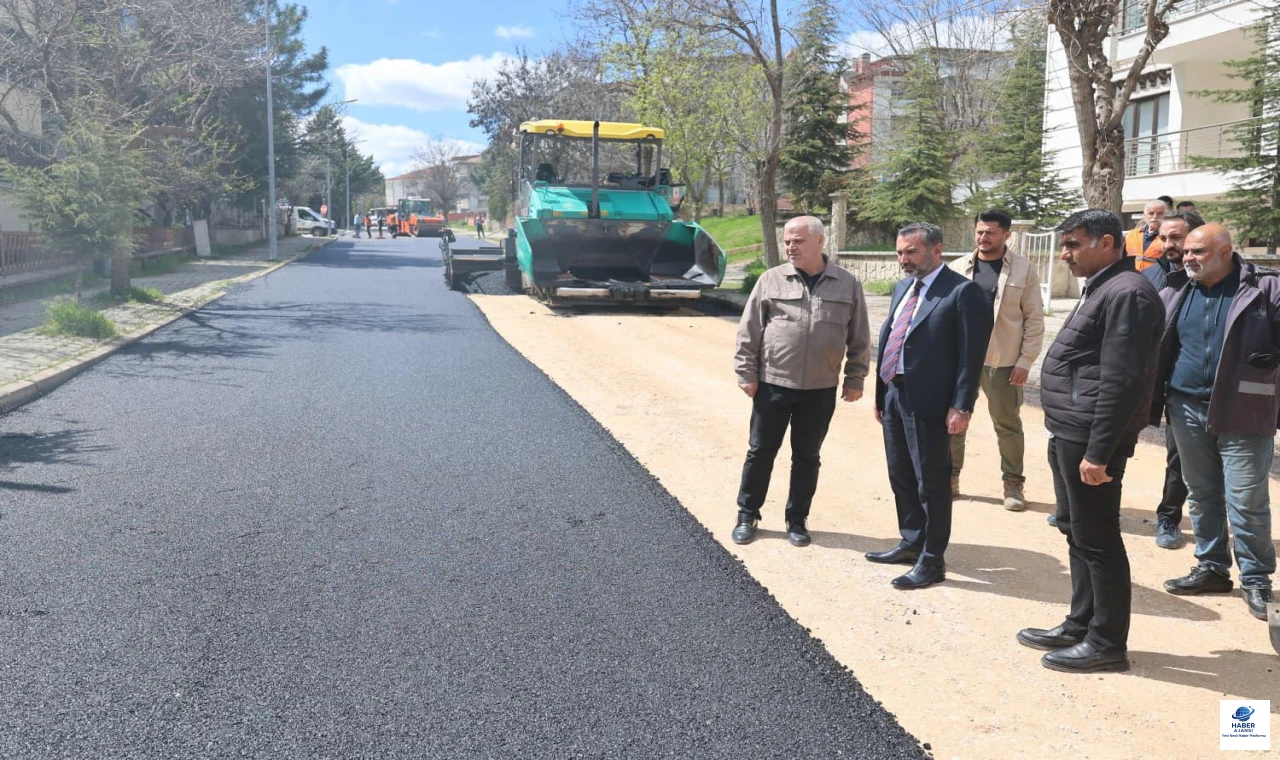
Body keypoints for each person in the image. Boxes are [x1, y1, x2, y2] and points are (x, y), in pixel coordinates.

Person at [1019, 209, 1163, 674]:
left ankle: (1106, 642)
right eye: (1064, 244)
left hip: (1090, 440)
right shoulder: (1103, 286)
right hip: (1070, 430)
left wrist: (1099, 451)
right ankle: (1080, 622)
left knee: (1099, 540)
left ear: (1106, 243)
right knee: (1077, 533)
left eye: (1073, 244)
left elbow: (1123, 381)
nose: (1065, 255)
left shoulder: (1128, 293)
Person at [1152, 224, 1278, 621]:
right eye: (1186, 251)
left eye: (1198, 252)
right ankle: (1211, 568)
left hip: (1245, 410)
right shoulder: (1175, 290)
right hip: (1186, 408)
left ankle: (1256, 579)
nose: (1187, 257)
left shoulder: (1265, 289)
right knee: (1202, 492)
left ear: (1225, 251)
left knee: (1245, 499)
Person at [732, 216, 871, 548]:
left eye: (797, 241)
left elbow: (860, 337)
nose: (790, 247)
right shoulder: (771, 280)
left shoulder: (847, 283)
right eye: (787, 242)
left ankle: (797, 519)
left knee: (807, 456)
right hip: (773, 384)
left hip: (820, 388)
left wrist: (855, 378)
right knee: (760, 452)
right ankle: (747, 514)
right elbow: (748, 330)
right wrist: (746, 372)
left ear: (820, 242)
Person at [866, 222, 991, 590]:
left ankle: (933, 559)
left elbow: (972, 356)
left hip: (933, 402)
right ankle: (912, 540)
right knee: (900, 473)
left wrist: (962, 405)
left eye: (911, 252)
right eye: (899, 252)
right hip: (895, 394)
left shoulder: (963, 292)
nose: (903, 260)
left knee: (931, 482)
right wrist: (880, 395)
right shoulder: (903, 287)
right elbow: (891, 336)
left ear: (936, 250)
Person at [947, 209, 1044, 510]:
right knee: (953, 421)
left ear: (1006, 234)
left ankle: (1013, 484)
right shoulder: (957, 268)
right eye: (979, 231)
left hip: (1002, 361)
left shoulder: (1023, 270)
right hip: (960, 360)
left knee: (1007, 424)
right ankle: (949, 478)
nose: (983, 237)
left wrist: (1025, 360)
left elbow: (1034, 319)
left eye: (990, 232)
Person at [1142, 210, 1204, 549]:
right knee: (1175, 456)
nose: (1168, 245)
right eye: (1164, 238)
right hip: (1164, 383)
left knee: (1206, 461)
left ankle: (1194, 521)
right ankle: (1168, 516)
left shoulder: (1216, 280)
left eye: (1175, 237)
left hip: (1207, 386)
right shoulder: (1152, 276)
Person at [1124, 199, 1168, 272]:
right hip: (1132, 276)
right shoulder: (1132, 234)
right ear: (1144, 215)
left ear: (1166, 215)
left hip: (1157, 277)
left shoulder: (1168, 237)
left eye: (1160, 213)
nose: (1155, 217)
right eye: (1151, 213)